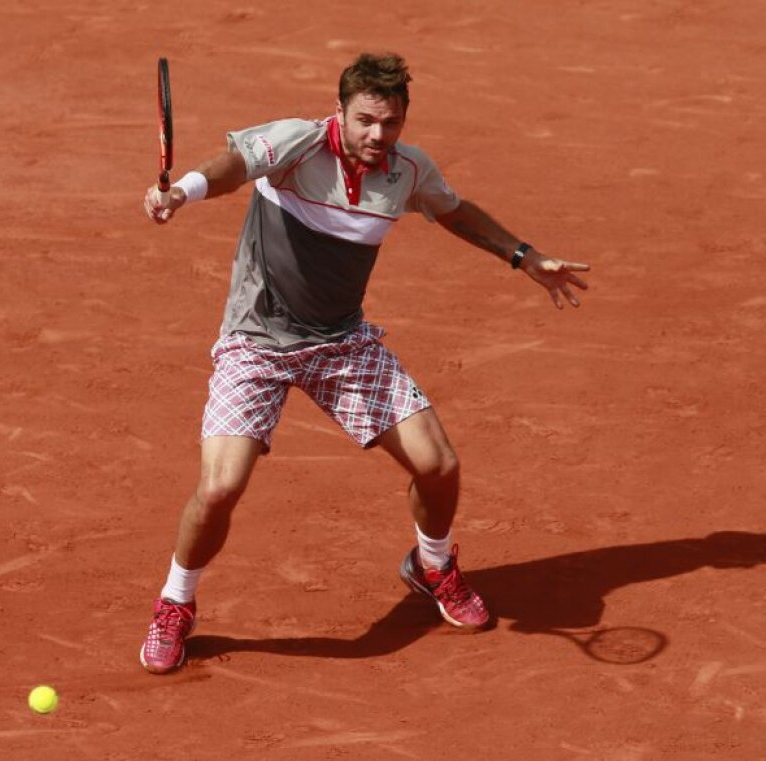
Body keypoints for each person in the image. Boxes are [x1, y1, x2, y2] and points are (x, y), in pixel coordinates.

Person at [139, 53, 590, 674]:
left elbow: (454, 211)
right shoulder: (295, 145)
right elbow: (235, 166)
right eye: (367, 120)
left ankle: (432, 566)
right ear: (341, 112)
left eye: (392, 122)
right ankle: (175, 604)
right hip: (257, 342)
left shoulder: (406, 172)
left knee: (439, 465)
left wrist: (524, 255)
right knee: (220, 487)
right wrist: (183, 192)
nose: (379, 135)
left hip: (342, 344)